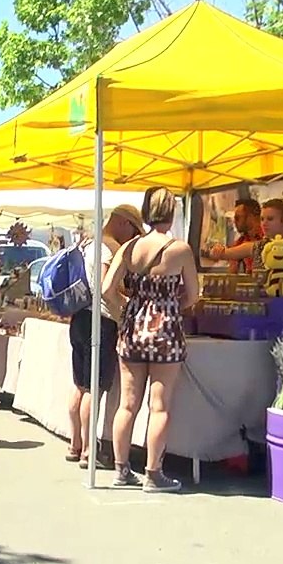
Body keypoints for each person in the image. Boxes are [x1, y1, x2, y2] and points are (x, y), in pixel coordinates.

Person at [101, 187, 200, 492]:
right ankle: (153, 473)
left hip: (132, 329)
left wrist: (126, 312)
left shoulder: (129, 248)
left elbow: (106, 290)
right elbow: (193, 295)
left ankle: (121, 469)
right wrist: (170, 307)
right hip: (166, 332)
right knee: (160, 406)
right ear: (172, 214)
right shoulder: (179, 249)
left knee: (127, 404)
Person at [65, 204, 145, 468]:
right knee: (94, 387)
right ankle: (89, 449)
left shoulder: (89, 243)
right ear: (123, 223)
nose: (133, 237)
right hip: (98, 322)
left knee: (79, 384)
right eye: (133, 230)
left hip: (80, 318)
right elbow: (104, 289)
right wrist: (126, 308)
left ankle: (76, 443)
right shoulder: (106, 247)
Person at [209, 198, 283, 301]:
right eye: (262, 219)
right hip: (257, 313)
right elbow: (223, 253)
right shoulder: (256, 247)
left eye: (270, 219)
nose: (264, 223)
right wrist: (217, 250)